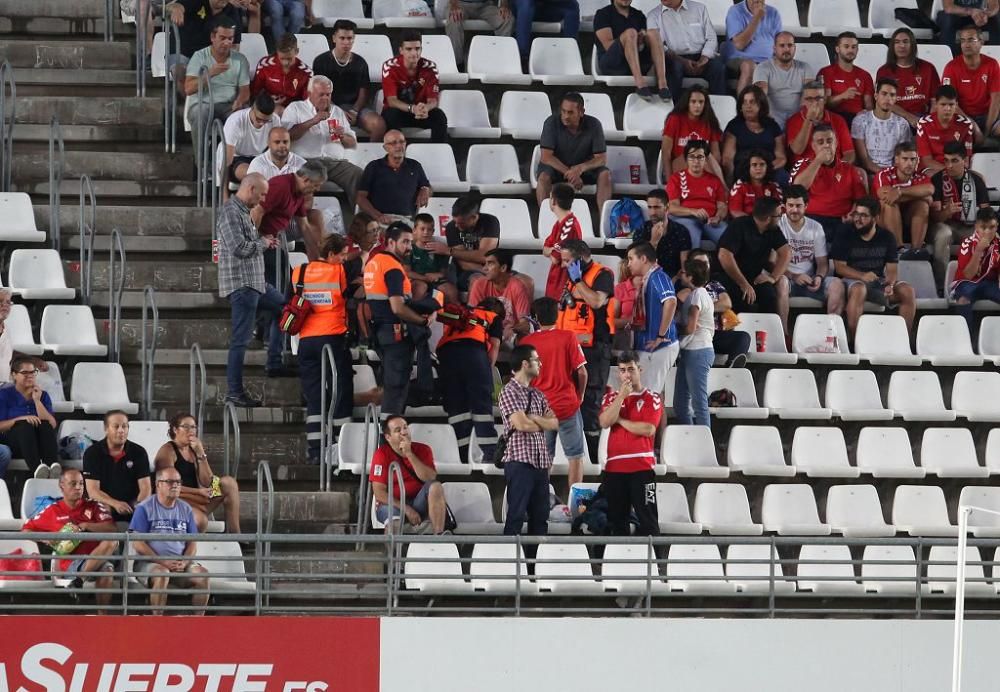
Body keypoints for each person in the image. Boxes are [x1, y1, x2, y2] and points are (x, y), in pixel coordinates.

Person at [217, 174, 281, 407]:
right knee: (240, 341)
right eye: (262, 194)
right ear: (251, 188)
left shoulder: (242, 212)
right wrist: (263, 243)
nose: (263, 199)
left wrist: (262, 240)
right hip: (242, 284)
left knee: (287, 309)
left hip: (256, 283)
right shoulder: (230, 212)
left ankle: (275, 359)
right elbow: (238, 248)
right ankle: (234, 393)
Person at [364, 222, 436, 417]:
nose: (409, 247)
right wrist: (421, 322)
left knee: (391, 389)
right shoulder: (393, 267)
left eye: (411, 242)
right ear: (390, 242)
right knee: (396, 393)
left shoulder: (374, 262)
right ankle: (388, 443)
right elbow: (397, 307)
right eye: (405, 242)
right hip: (396, 335)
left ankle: (387, 439)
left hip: (382, 333)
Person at [293, 234, 354, 462]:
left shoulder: (299, 271)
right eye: (342, 254)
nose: (344, 259)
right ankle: (340, 448)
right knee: (339, 392)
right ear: (331, 254)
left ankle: (316, 451)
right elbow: (345, 298)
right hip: (332, 338)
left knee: (315, 396)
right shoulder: (338, 271)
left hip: (306, 340)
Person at [21, 468, 118, 611]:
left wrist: (86, 525)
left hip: (97, 560)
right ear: (62, 486)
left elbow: (112, 529)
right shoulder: (52, 510)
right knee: (107, 568)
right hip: (71, 563)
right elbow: (25, 530)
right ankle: (88, 596)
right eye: (73, 484)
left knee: (111, 547)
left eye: (81, 484)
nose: (78, 487)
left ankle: (98, 612)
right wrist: (46, 539)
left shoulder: (94, 506)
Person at [555, 240, 616, 458]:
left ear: (580, 258)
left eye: (567, 260)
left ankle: (592, 456)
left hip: (594, 350)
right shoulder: (572, 277)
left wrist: (578, 280)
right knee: (571, 401)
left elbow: (597, 301)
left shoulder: (602, 274)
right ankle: (574, 453)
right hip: (572, 349)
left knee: (590, 403)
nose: (564, 266)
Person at [521, 297, 587, 488]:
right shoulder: (568, 337)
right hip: (567, 405)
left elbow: (522, 380)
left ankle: (542, 503)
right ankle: (576, 507)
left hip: (541, 410)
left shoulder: (526, 342)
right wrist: (580, 395)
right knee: (575, 457)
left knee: (543, 459)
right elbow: (582, 372)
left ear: (536, 318)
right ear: (557, 315)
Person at [129, 467, 209, 616]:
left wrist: (184, 562)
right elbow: (137, 543)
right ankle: (157, 621)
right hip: (150, 563)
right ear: (158, 484)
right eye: (170, 482)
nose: (175, 485)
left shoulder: (186, 509)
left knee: (202, 575)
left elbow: (192, 543)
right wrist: (163, 561)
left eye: (178, 482)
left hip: (181, 563)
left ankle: (198, 621)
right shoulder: (144, 508)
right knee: (162, 574)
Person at [598, 352, 662, 536]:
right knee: (617, 522)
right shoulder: (611, 399)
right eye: (623, 370)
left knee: (648, 519)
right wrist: (621, 397)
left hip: (641, 468)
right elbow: (604, 422)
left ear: (639, 370)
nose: (627, 374)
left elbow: (648, 429)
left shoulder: (652, 397)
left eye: (631, 369)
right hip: (614, 468)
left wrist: (621, 421)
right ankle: (619, 564)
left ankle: (656, 564)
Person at [832, 197, 916, 336]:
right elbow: (840, 268)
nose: (858, 219)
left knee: (907, 291)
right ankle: (854, 341)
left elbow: (892, 268)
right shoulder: (844, 232)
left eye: (864, 216)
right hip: (850, 282)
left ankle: (904, 339)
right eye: (856, 214)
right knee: (859, 289)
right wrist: (862, 276)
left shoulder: (887, 237)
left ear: (875, 218)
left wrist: (890, 283)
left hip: (877, 282)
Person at [499, 344, 558, 540]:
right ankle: (511, 567)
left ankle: (535, 567)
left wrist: (534, 418)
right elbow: (521, 424)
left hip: (540, 464)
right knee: (515, 516)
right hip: (519, 461)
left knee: (540, 519)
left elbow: (555, 422)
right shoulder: (509, 391)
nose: (540, 363)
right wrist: (542, 422)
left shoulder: (538, 394)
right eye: (536, 360)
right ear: (525, 364)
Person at [437, 297, 504, 466]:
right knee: (481, 405)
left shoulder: (465, 313)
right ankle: (490, 454)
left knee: (457, 407)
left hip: (446, 355)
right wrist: (486, 370)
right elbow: (494, 346)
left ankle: (461, 455)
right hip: (473, 352)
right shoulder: (493, 317)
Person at [281, 75, 363, 203]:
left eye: (328, 94)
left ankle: (360, 219)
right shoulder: (295, 108)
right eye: (321, 94)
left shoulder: (337, 111)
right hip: (306, 162)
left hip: (334, 163)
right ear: (309, 93)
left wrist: (342, 136)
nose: (325, 98)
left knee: (358, 174)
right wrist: (313, 121)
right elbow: (288, 136)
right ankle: (303, 217)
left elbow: (352, 144)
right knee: (304, 180)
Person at [154, 413, 242, 533]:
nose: (191, 431)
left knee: (229, 483)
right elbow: (166, 485)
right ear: (175, 429)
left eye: (193, 427)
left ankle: (236, 536)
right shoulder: (168, 450)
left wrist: (201, 453)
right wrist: (198, 492)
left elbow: (208, 481)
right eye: (186, 427)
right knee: (200, 520)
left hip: (198, 500)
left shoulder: (193, 449)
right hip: (177, 500)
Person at [776, 184, 846, 332]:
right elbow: (771, 263)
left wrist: (820, 276)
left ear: (806, 206)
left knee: (837, 285)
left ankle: (831, 333)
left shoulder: (815, 227)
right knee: (781, 282)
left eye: (799, 205)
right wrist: (794, 276)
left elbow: (822, 262)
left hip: (810, 279)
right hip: (786, 277)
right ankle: (783, 333)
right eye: (791, 205)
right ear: (784, 206)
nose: (794, 210)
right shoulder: (778, 225)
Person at [369, 415, 449, 534]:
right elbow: (379, 493)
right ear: (388, 437)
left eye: (405, 428)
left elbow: (430, 478)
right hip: (392, 504)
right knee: (394, 522)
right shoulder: (381, 454)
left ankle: (439, 536)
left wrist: (409, 454)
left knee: (436, 486)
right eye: (398, 430)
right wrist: (407, 509)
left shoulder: (423, 449)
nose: (404, 432)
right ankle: (393, 552)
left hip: (418, 502)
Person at [184, 17, 250, 159]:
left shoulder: (240, 59)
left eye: (230, 39)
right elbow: (188, 88)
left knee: (243, 116)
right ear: (213, 37)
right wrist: (210, 74)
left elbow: (245, 90)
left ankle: (232, 165)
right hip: (204, 104)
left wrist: (239, 101)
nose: (227, 43)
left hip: (229, 105)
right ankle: (202, 166)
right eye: (223, 38)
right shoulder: (200, 57)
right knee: (200, 112)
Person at [791, 123, 868, 243]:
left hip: (841, 221)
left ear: (836, 143)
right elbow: (797, 190)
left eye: (829, 141)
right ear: (813, 146)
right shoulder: (803, 164)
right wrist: (818, 161)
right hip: (811, 220)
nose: (826, 145)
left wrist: (853, 213)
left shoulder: (849, 168)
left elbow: (861, 199)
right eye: (820, 142)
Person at [536, 92, 612, 214]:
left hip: (583, 170)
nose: (565, 116)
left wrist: (580, 169)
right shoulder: (551, 123)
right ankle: (545, 218)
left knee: (605, 174)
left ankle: (603, 220)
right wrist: (570, 173)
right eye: (563, 111)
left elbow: (601, 159)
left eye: (570, 112)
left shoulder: (594, 124)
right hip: (557, 168)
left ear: (581, 112)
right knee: (543, 178)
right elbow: (546, 157)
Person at [312, 20, 386, 142]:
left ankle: (371, 157)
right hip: (329, 106)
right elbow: (318, 93)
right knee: (335, 128)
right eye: (342, 38)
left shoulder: (360, 62)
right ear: (334, 38)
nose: (346, 42)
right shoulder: (321, 61)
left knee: (379, 124)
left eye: (350, 38)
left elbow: (364, 91)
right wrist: (337, 111)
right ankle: (335, 157)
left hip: (354, 107)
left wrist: (355, 111)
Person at [718, 196, 791, 316]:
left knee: (769, 295)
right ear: (768, 218)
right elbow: (724, 255)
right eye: (778, 215)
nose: (780, 218)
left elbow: (786, 252)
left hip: (754, 278)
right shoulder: (739, 225)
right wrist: (743, 283)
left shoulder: (773, 230)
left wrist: (773, 277)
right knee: (743, 300)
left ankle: (768, 332)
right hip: (730, 277)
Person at [930, 141, 991, 281]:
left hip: (970, 225)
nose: (949, 166)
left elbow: (986, 213)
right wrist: (946, 212)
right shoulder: (937, 180)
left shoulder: (976, 180)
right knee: (943, 234)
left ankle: (982, 280)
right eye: (946, 161)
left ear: (965, 161)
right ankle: (942, 283)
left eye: (954, 161)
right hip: (945, 224)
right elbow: (934, 218)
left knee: (988, 234)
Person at [625, 241, 679, 396]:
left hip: (658, 346)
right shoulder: (648, 279)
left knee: (648, 395)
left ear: (643, 259)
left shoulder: (658, 277)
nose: (628, 264)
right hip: (648, 346)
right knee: (644, 394)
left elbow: (671, 301)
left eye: (631, 259)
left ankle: (649, 421)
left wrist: (660, 336)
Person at [645, 0, 726, 99]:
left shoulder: (699, 8)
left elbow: (711, 37)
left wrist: (704, 57)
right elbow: (658, 46)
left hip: (701, 56)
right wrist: (682, 61)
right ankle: (672, 110)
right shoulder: (653, 16)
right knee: (674, 68)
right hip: (674, 58)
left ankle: (719, 110)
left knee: (718, 68)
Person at [83, 411, 153, 522]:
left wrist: (139, 506)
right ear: (106, 429)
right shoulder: (92, 453)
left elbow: (146, 488)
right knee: (103, 509)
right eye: (116, 426)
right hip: (106, 503)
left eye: (124, 426)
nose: (121, 430)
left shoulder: (139, 452)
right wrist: (115, 504)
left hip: (132, 503)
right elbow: (93, 491)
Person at [686, 249, 752, 367]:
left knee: (743, 337)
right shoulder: (685, 285)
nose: (703, 267)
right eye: (698, 263)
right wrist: (713, 305)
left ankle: (731, 369)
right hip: (696, 333)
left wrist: (703, 307)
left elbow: (726, 303)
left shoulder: (714, 285)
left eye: (705, 264)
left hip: (716, 334)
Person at [381, 30, 448, 143]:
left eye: (417, 48)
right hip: (399, 112)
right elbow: (392, 100)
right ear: (401, 50)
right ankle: (398, 155)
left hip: (420, 113)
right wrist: (412, 109)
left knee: (439, 116)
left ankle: (438, 154)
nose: (414, 53)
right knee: (390, 115)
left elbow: (433, 100)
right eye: (409, 49)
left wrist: (426, 108)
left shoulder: (430, 67)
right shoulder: (390, 66)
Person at [255, 162, 327, 268]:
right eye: (316, 185)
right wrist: (257, 239)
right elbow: (255, 210)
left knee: (288, 277)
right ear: (306, 179)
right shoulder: (280, 186)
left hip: (276, 238)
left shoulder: (299, 193)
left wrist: (317, 262)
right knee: (281, 276)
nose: (318, 189)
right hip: (262, 238)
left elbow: (305, 227)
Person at [162, 0, 243, 91]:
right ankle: (191, 103)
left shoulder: (232, 11)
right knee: (179, 71)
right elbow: (171, 6)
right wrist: (176, 9)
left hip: (208, 55)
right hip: (182, 51)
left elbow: (235, 45)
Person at [0, 354, 59, 479]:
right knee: (24, 425)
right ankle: (37, 470)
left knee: (45, 425)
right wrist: (20, 419)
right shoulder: (4, 395)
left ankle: (52, 467)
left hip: (38, 444)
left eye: (33, 372)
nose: (30, 375)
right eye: (25, 372)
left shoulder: (42, 395)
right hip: (14, 443)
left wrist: (37, 401)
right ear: (14, 375)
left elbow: (52, 424)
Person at [871, 142, 935, 257]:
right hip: (883, 221)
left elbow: (930, 189)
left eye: (913, 159)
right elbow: (883, 195)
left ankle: (916, 250)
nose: (909, 163)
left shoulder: (920, 176)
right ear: (896, 160)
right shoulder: (884, 174)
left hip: (908, 220)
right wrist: (918, 194)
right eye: (905, 159)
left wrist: (899, 192)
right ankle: (899, 249)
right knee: (890, 203)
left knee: (922, 205)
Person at [356, 130, 432, 225]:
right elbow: (361, 197)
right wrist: (377, 216)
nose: (398, 146)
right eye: (393, 143)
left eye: (401, 142)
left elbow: (426, 186)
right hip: (379, 220)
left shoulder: (415, 166)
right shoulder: (374, 167)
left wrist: (425, 189)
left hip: (406, 221)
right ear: (385, 148)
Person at [673, 258, 714, 426]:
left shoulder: (697, 296)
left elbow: (690, 328)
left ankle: (705, 443)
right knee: (680, 404)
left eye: (684, 273)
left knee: (699, 403)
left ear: (690, 277)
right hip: (691, 351)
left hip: (698, 351)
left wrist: (672, 330)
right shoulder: (701, 294)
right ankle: (690, 437)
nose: (681, 275)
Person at [666, 140, 728, 249]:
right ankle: (690, 265)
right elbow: (671, 207)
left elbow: (722, 206)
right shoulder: (676, 178)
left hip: (711, 221)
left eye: (700, 157)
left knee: (729, 241)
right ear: (686, 159)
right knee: (690, 236)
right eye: (692, 157)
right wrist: (693, 211)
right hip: (685, 219)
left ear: (706, 160)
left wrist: (718, 217)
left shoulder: (715, 180)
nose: (696, 161)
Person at [941, 25, 1000, 138]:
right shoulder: (951, 67)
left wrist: (987, 130)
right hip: (962, 116)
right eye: (963, 41)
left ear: (981, 42)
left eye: (971, 40)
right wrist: (972, 125)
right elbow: (950, 102)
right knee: (962, 135)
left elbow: (996, 99)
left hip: (988, 116)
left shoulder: (992, 64)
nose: (966, 44)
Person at [877, 28, 941, 128]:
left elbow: (935, 99)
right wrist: (908, 117)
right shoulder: (884, 71)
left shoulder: (928, 68)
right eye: (897, 42)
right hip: (896, 118)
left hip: (924, 116)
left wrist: (931, 119)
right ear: (892, 46)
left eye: (906, 42)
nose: (902, 46)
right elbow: (884, 102)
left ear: (913, 45)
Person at [721, 84, 786, 183]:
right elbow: (727, 159)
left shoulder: (773, 125)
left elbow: (781, 158)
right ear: (740, 107)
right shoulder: (734, 125)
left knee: (783, 177)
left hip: (769, 169)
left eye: (752, 102)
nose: (748, 106)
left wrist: (764, 169)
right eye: (744, 102)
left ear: (761, 105)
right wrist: (729, 183)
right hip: (743, 170)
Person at [468, 249, 534, 346]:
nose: (484, 269)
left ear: (503, 268)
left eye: (490, 264)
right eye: (485, 264)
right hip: (485, 330)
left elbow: (525, 324)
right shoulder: (480, 284)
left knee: (523, 339)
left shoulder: (517, 286)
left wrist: (512, 329)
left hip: (509, 334)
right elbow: (471, 316)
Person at [660, 84, 724, 180]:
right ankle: (722, 188)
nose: (697, 105)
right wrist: (670, 180)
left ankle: (718, 187)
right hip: (679, 163)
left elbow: (716, 154)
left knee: (706, 156)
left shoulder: (710, 121)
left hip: (704, 165)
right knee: (698, 155)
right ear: (687, 103)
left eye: (701, 102)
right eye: (693, 102)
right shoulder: (675, 119)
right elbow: (666, 153)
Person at [851, 77, 913, 176]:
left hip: (895, 173)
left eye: (892, 95)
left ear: (896, 99)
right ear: (876, 96)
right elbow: (864, 160)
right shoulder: (860, 121)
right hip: (869, 172)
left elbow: (902, 157)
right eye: (884, 94)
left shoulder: (902, 124)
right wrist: (884, 174)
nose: (888, 99)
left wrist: (893, 174)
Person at [753, 32, 815, 128]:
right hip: (771, 118)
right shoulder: (763, 68)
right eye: (782, 46)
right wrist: (767, 118)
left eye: (790, 45)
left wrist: (801, 119)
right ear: (774, 48)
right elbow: (761, 94)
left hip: (799, 117)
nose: (786, 49)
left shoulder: (805, 67)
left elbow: (809, 94)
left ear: (795, 48)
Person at [951, 207, 1000, 327]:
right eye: (983, 227)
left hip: (990, 283)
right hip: (968, 282)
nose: (987, 232)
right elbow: (968, 275)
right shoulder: (967, 243)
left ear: (997, 226)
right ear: (976, 227)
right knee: (963, 299)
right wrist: (978, 250)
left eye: (992, 227)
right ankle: (966, 338)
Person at [786, 81, 856, 165]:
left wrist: (837, 168)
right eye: (809, 99)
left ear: (825, 100)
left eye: (818, 98)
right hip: (807, 169)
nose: (814, 103)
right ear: (803, 101)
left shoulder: (838, 120)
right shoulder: (794, 120)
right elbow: (797, 150)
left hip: (835, 168)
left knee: (861, 173)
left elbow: (849, 153)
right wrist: (809, 119)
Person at [594, 0, 654, 96]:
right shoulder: (603, 14)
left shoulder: (639, 15)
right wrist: (629, 40)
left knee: (653, 34)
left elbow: (646, 42)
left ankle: (663, 85)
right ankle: (640, 83)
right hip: (612, 63)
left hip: (638, 61)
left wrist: (641, 38)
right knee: (631, 33)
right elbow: (608, 45)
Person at [222, 93, 280, 193]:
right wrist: (224, 195)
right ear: (252, 108)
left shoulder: (274, 120)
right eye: (258, 119)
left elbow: (275, 148)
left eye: (266, 121)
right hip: (237, 158)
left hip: (260, 157)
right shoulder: (236, 121)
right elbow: (227, 161)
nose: (261, 123)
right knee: (256, 175)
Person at [722, 0, 782, 94]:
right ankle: (743, 107)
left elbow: (779, 44)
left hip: (767, 61)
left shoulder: (773, 13)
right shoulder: (735, 11)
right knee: (749, 66)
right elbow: (740, 44)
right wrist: (757, 17)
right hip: (739, 59)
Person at [916, 85, 976, 176]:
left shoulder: (966, 124)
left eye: (951, 104)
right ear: (936, 104)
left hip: (957, 169)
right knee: (934, 176)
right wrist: (948, 171)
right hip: (933, 169)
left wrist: (954, 170)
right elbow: (926, 161)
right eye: (943, 104)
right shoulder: (924, 123)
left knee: (980, 178)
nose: (947, 109)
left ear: (956, 105)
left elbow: (966, 160)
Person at [818, 32, 874, 125]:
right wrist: (843, 96)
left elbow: (868, 105)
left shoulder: (865, 75)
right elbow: (825, 103)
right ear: (837, 49)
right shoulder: (826, 72)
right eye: (846, 46)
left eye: (854, 47)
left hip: (859, 119)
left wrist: (867, 116)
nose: (850, 50)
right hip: (835, 118)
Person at [250, 33, 311, 116]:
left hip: (294, 110)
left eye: (289, 58)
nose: (285, 62)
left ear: (296, 51)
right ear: (277, 52)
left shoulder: (306, 72)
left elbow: (307, 101)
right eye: (282, 58)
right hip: (267, 106)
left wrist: (290, 109)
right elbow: (255, 91)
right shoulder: (265, 65)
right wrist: (268, 101)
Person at [635, 188, 690, 278]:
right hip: (647, 277)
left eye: (657, 207)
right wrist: (653, 242)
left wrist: (678, 278)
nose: (652, 213)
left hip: (674, 279)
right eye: (650, 207)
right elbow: (638, 265)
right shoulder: (641, 230)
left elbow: (684, 267)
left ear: (667, 208)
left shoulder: (681, 231)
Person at [542, 183, 583, 299]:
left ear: (553, 201)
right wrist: (550, 250)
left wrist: (550, 250)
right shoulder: (558, 224)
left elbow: (555, 259)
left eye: (550, 197)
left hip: (564, 284)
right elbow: (544, 250)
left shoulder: (569, 226)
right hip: (555, 282)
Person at [445, 0, 513, 70]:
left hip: (486, 5)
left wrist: (504, 5)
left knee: (506, 19)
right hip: (460, 4)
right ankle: (457, 65)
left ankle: (501, 63)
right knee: (454, 19)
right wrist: (454, 5)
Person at [511, 0, 579, 62]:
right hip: (521, 5)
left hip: (544, 6)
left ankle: (571, 56)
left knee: (572, 6)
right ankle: (522, 57)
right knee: (526, 3)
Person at [407, 213, 455, 302]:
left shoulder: (440, 248)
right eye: (422, 229)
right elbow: (407, 272)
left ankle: (454, 313)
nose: (426, 232)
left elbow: (444, 272)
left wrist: (437, 275)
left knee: (451, 291)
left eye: (429, 230)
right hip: (417, 279)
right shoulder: (409, 248)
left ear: (433, 231)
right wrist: (425, 278)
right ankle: (415, 312)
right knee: (420, 288)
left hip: (435, 280)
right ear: (414, 230)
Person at [728, 150, 782, 218]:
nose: (758, 168)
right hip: (746, 223)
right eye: (754, 165)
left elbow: (779, 210)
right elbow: (735, 211)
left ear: (767, 167)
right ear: (748, 167)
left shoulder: (774, 186)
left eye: (762, 164)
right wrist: (754, 223)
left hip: (769, 223)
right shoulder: (740, 186)